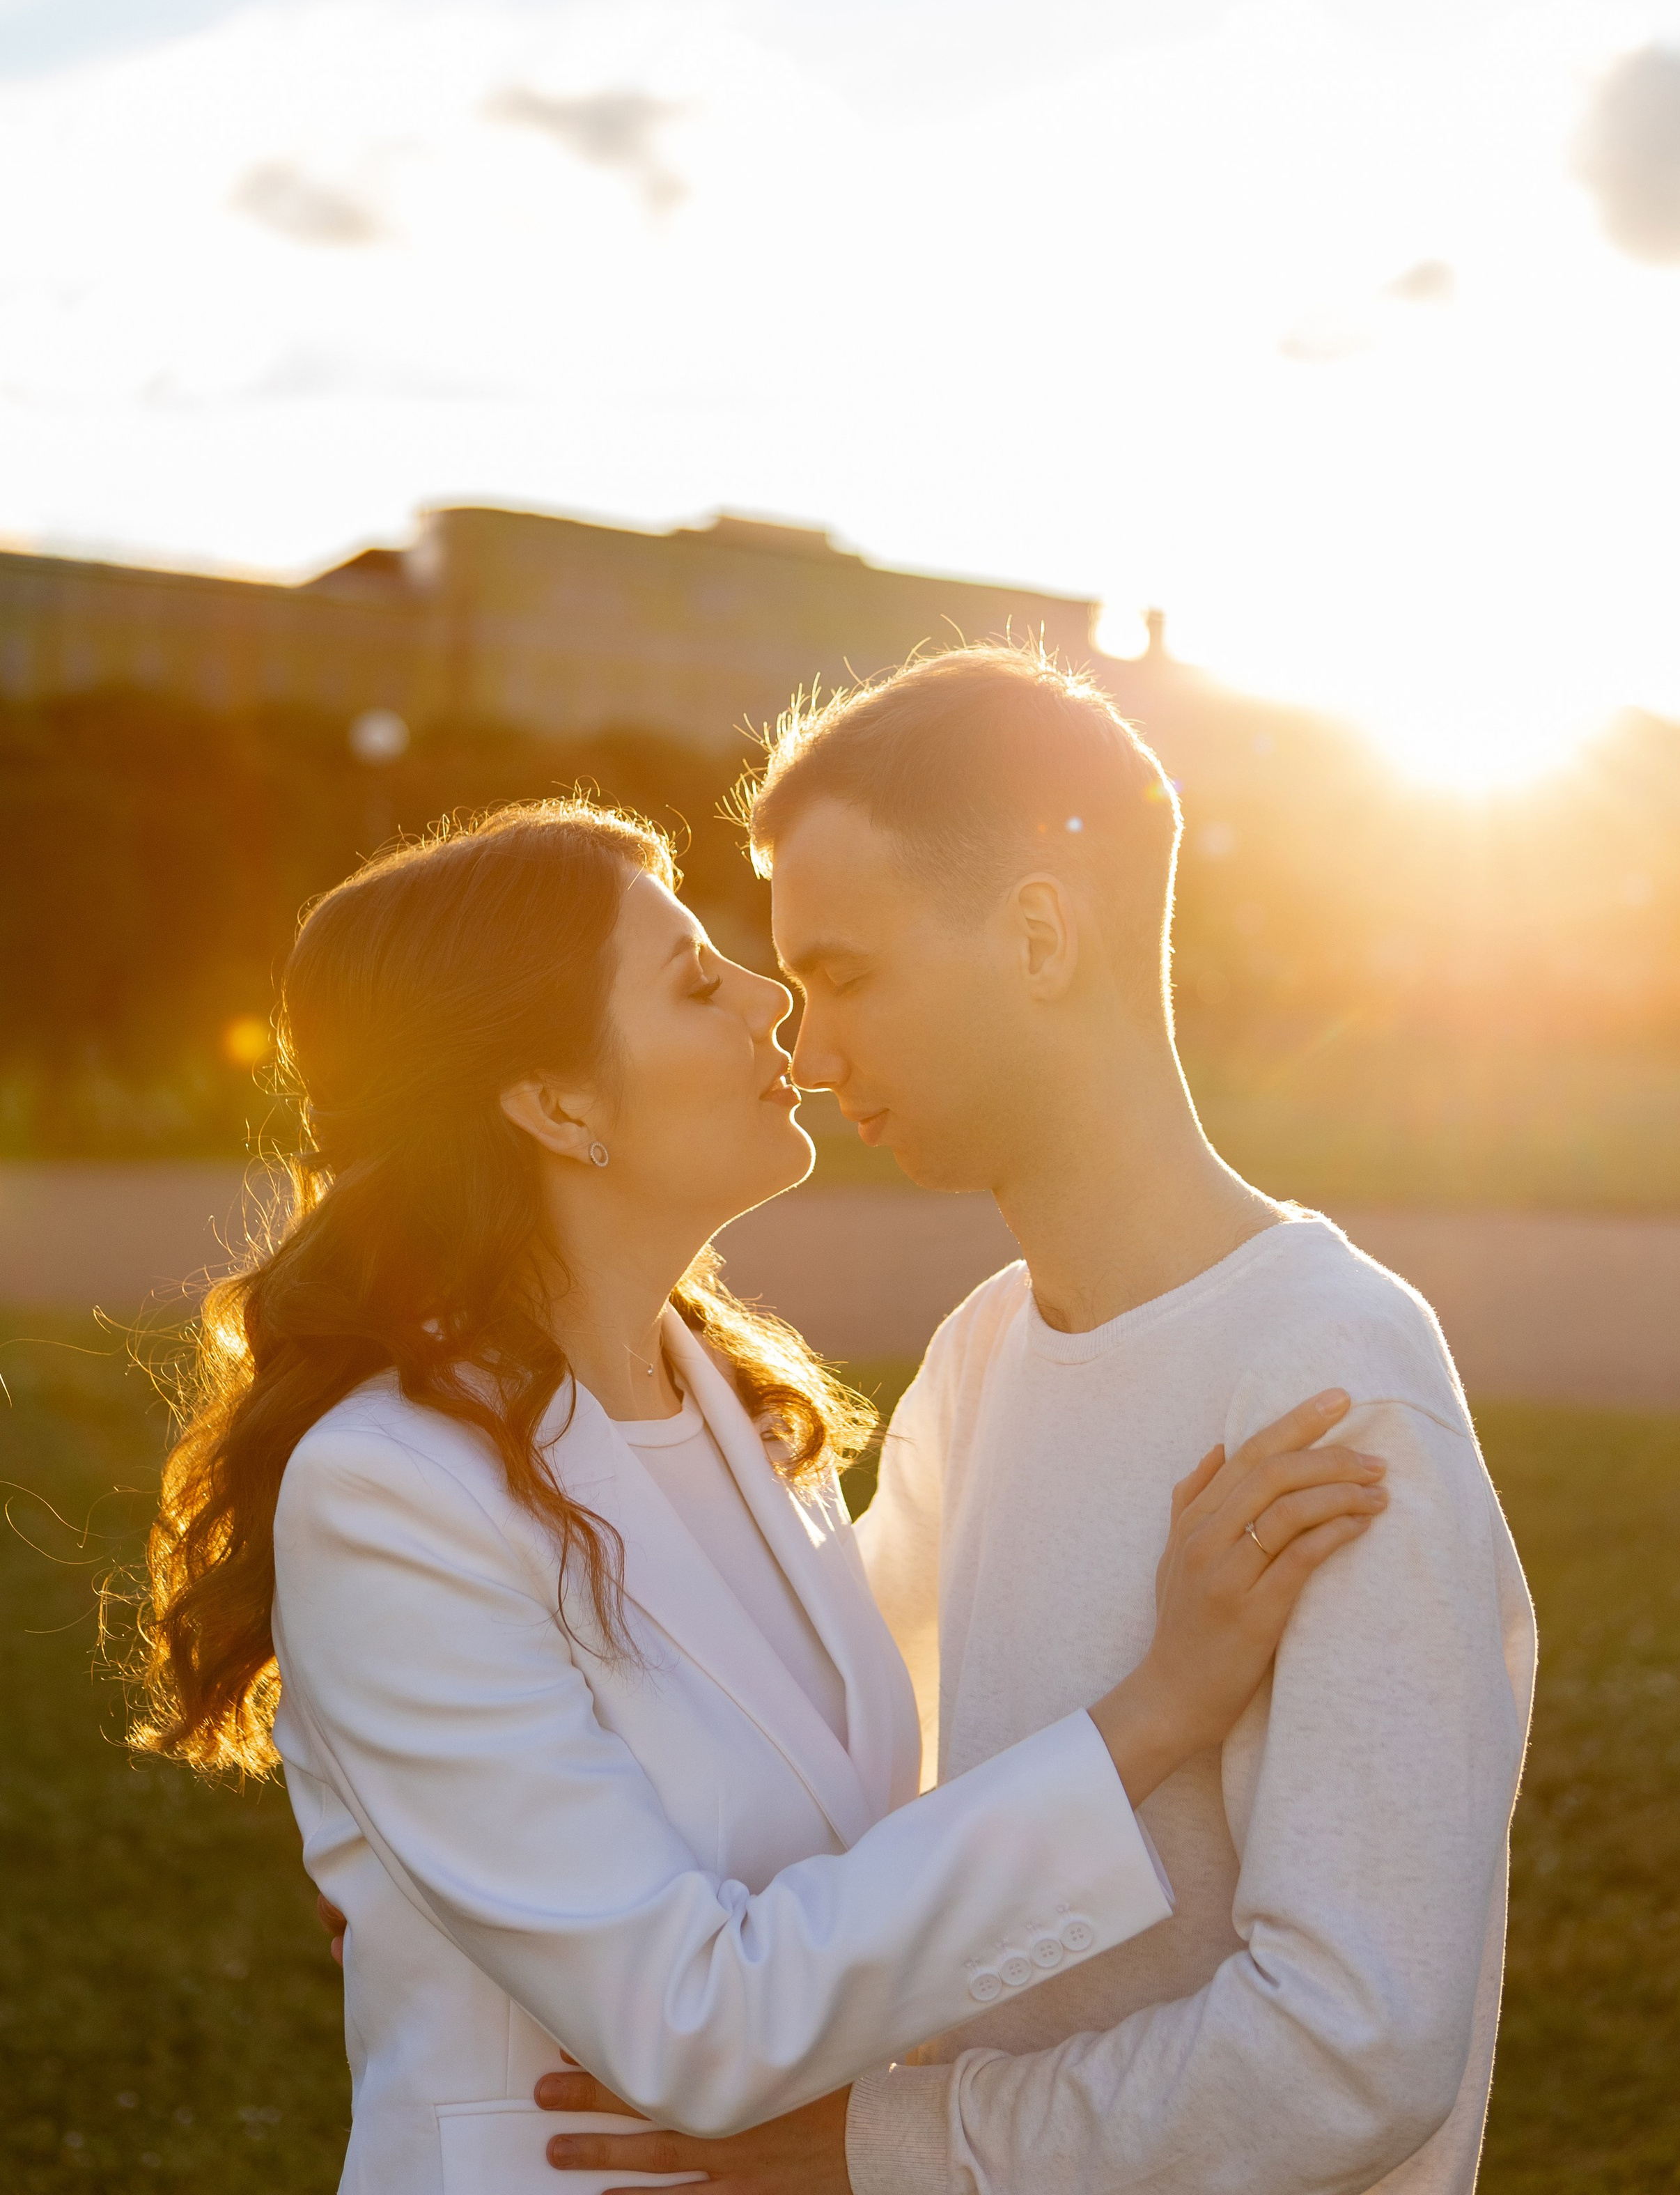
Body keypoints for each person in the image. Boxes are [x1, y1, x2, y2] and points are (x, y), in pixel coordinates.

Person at [135, 795, 1385, 2194]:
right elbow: (689, 2021)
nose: (767, 999)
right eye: (691, 980)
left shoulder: (743, 1420)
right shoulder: (386, 1495)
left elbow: (861, 1804)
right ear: (555, 1104)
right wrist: (1161, 1706)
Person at [536, 648, 1537, 2195]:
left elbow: (1354, 2044)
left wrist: (893, 2147)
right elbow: (806, 1778)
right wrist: (464, 1862)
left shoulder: (1328, 1381)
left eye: (846, 975)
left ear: (1037, 933)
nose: (805, 1052)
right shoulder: (983, 1356)